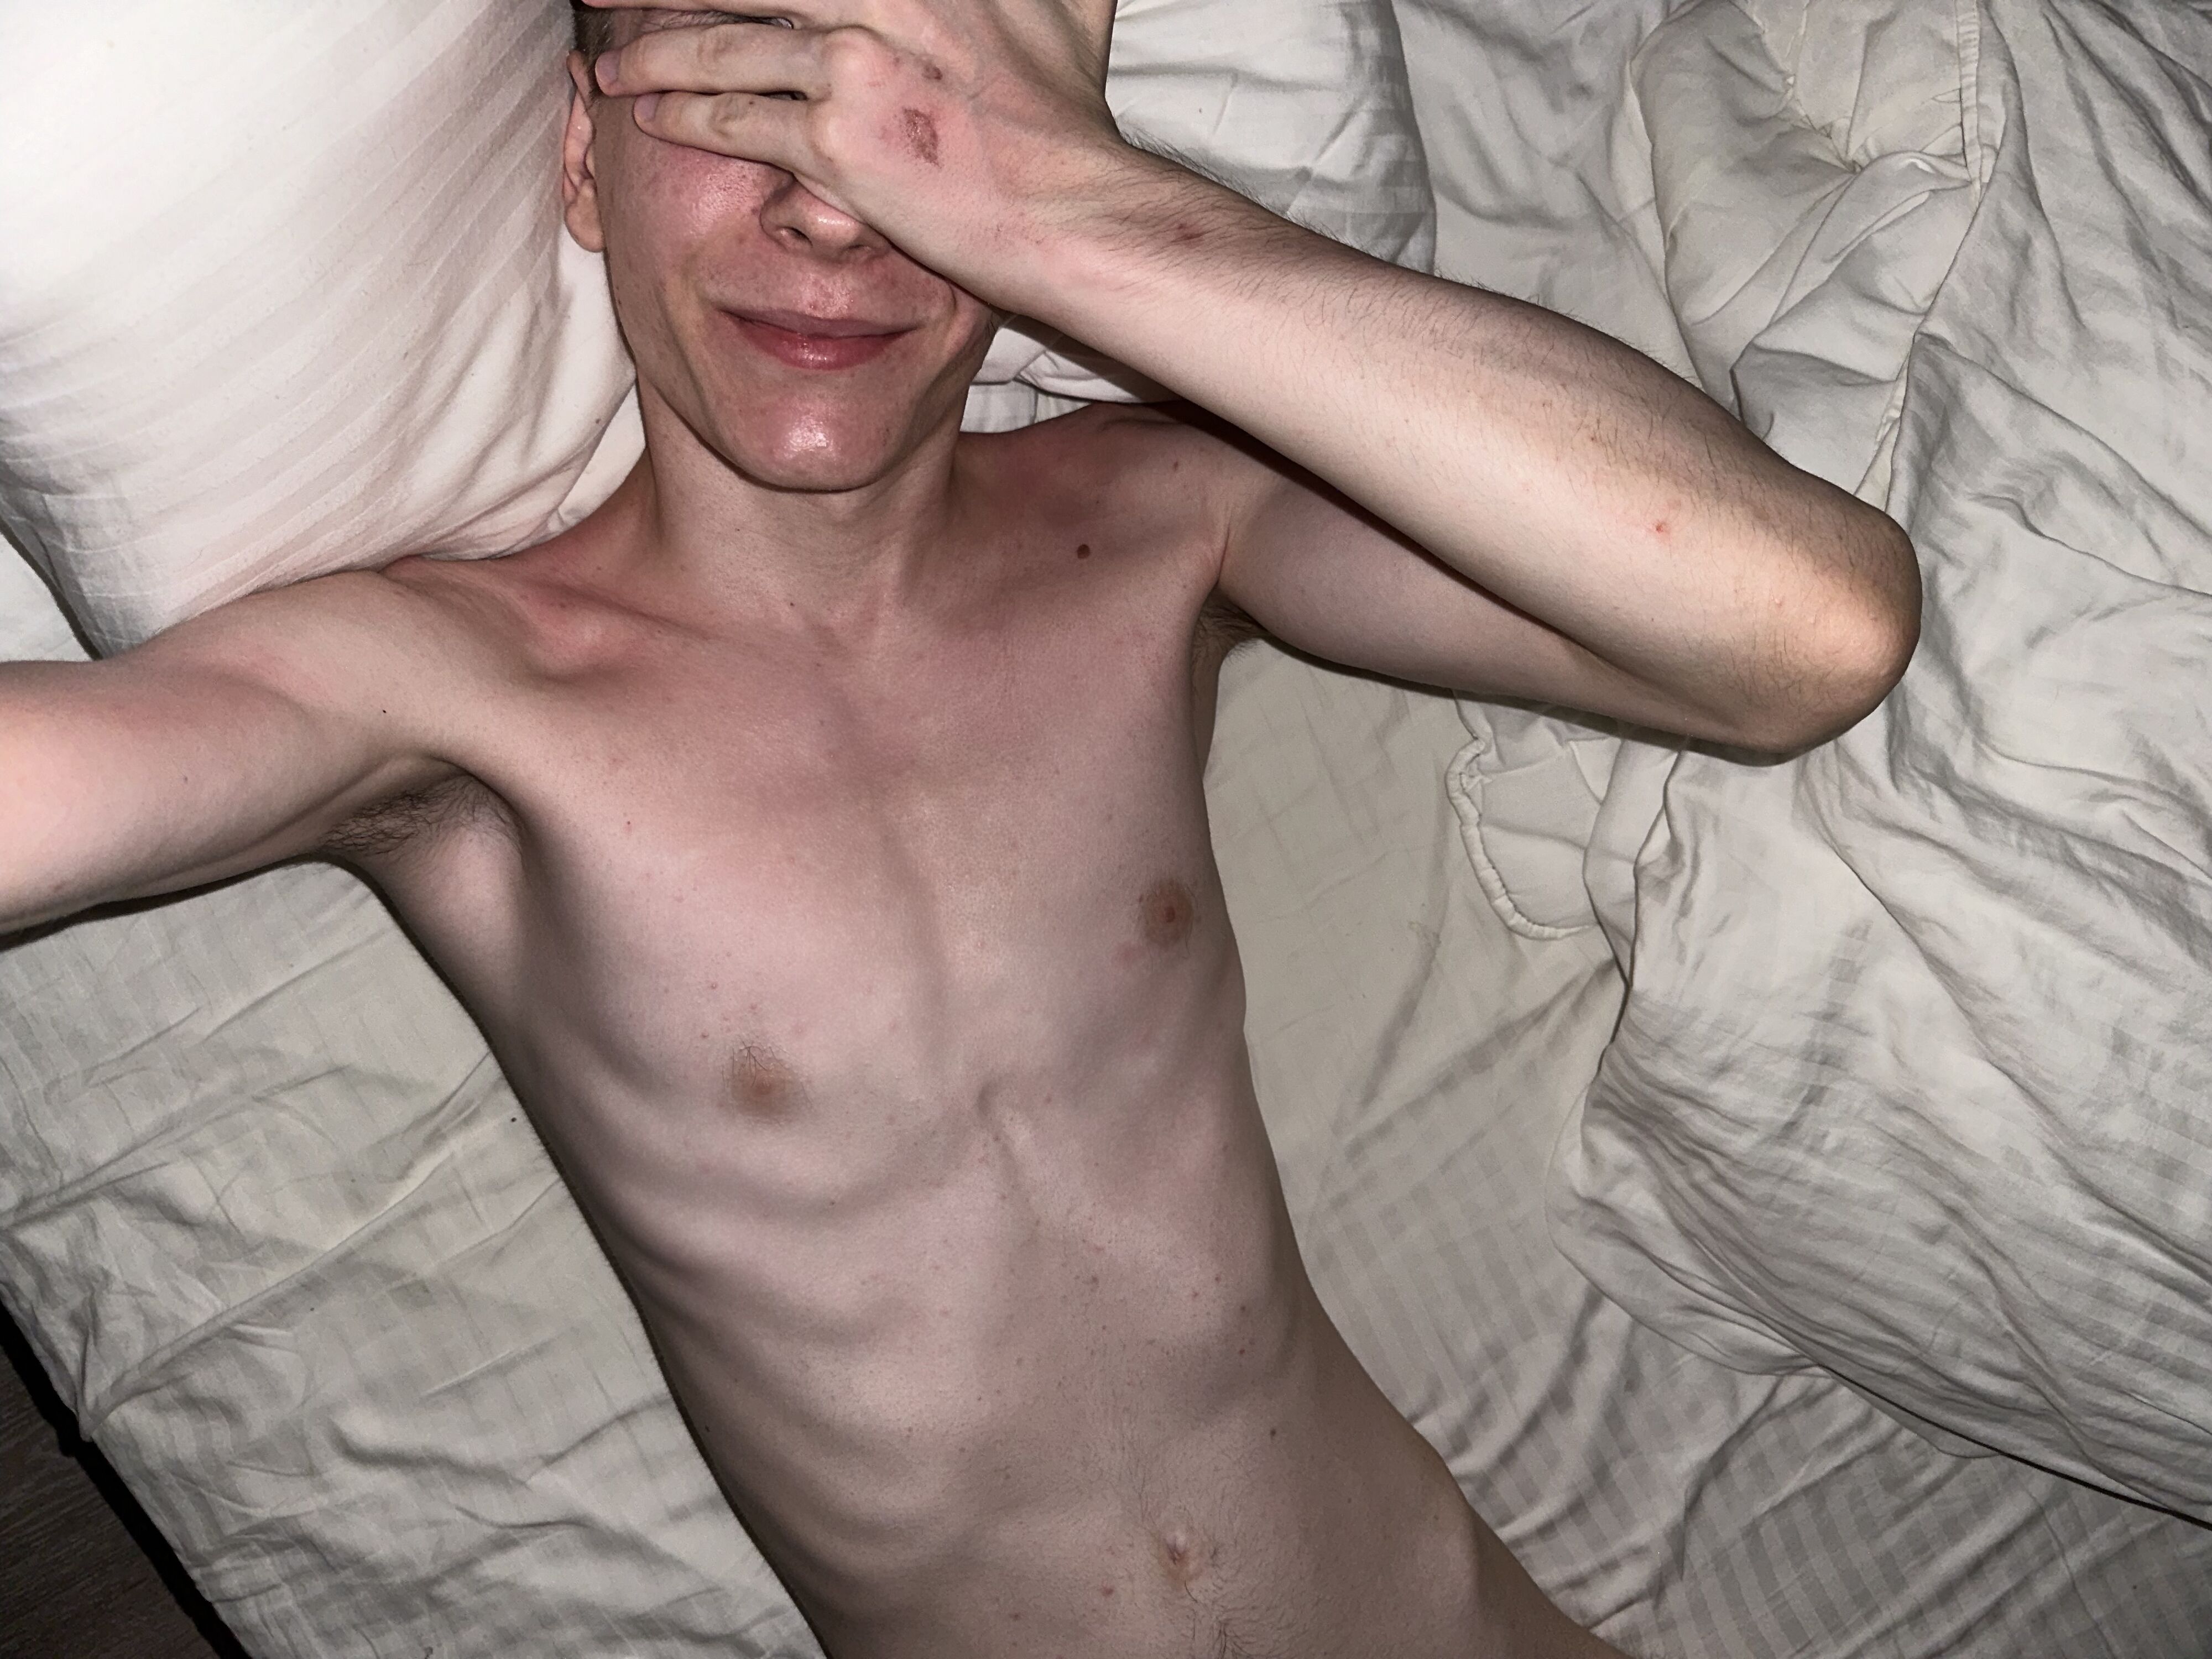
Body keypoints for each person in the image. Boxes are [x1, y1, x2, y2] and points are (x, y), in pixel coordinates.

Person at [0, 1, 1919, 1652]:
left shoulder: (1162, 529)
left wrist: (1082, 211)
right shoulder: (456, 694)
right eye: (740, 89)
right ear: (584, 160)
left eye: (908, 110)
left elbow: (1803, 633)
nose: (834, 209)